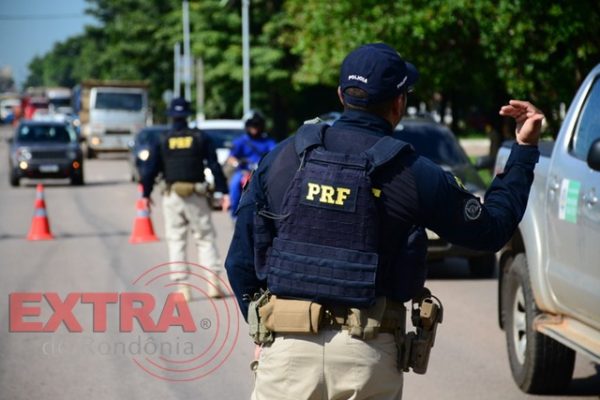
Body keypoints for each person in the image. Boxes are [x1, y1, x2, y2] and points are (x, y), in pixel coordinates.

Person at [225, 43, 543, 400]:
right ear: (398, 103)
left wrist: (264, 331)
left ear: (341, 95)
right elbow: (491, 230)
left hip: (286, 353)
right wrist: (524, 151)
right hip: (367, 357)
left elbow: (239, 262)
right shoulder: (413, 172)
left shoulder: (282, 157)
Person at [142, 97, 230, 300]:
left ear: (171, 116)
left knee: (176, 240)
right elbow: (214, 166)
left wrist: (146, 194)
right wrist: (223, 192)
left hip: (172, 196)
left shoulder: (163, 139)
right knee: (205, 239)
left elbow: (150, 170)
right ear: (187, 116)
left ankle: (183, 288)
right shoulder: (200, 137)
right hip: (196, 195)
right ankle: (213, 285)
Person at [225, 111, 276, 217]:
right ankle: (235, 215)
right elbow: (231, 157)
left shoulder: (268, 141)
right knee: (234, 185)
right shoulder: (241, 141)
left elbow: (276, 153)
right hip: (244, 172)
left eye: (257, 125)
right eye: (252, 125)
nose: (255, 127)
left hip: (263, 172)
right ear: (247, 126)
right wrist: (237, 162)